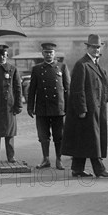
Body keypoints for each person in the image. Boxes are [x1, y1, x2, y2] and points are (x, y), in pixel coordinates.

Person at [61, 34, 108, 178]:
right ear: (87, 47)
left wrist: (104, 100)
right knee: (92, 139)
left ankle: (77, 169)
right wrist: (82, 109)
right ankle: (99, 169)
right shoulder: (82, 64)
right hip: (86, 111)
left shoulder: (95, 64)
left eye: (98, 47)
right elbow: (77, 89)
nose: (96, 49)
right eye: (93, 47)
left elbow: (106, 85)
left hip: (96, 109)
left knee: (83, 139)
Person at [27, 42, 70, 170]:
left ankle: (59, 159)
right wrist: (30, 107)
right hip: (42, 108)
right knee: (43, 136)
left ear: (54, 54)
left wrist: (68, 108)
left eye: (51, 52)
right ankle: (45, 159)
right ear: (42, 54)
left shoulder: (62, 67)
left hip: (58, 108)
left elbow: (68, 89)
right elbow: (32, 90)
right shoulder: (36, 69)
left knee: (59, 136)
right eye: (46, 52)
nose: (48, 55)